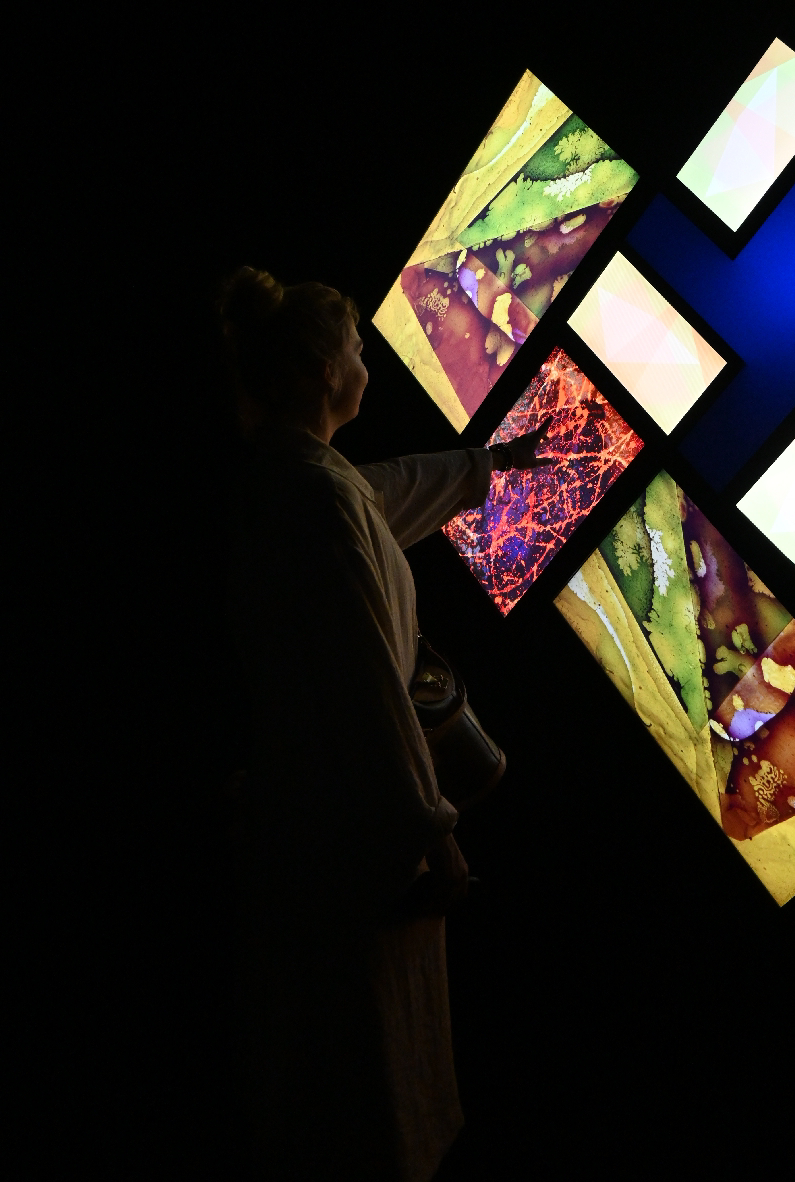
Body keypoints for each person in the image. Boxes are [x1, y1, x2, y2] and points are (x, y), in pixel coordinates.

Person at [218, 266, 550, 1180]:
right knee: (373, 1085)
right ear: (327, 371)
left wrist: (492, 467)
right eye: (360, 348)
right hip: (359, 833)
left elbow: (388, 491)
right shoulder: (313, 497)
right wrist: (433, 833)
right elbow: (368, 687)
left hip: (321, 816)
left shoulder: (296, 475)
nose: (368, 362)